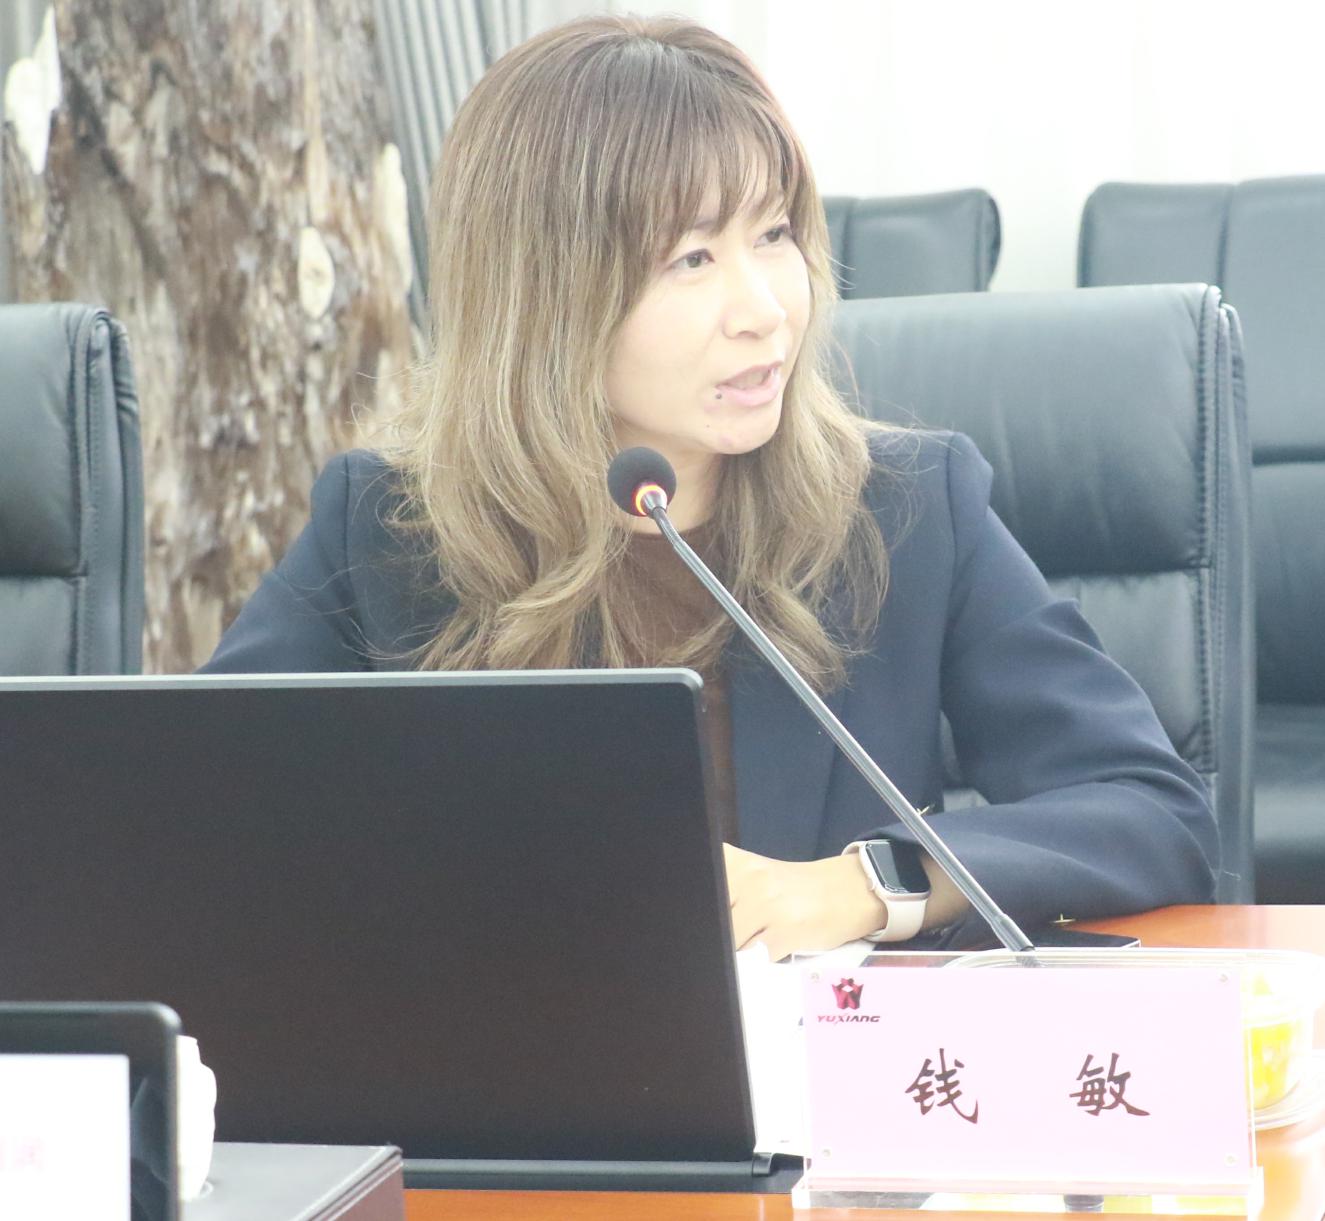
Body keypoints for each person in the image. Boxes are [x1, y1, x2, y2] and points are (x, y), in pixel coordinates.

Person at [202, 14, 1218, 958]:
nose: (763, 310)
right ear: (545, 297)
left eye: (773, 237)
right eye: (691, 258)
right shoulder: (392, 527)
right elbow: (193, 812)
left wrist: (872, 884)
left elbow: (1149, 810)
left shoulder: (902, 506)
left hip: (824, 1074)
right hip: (514, 1066)